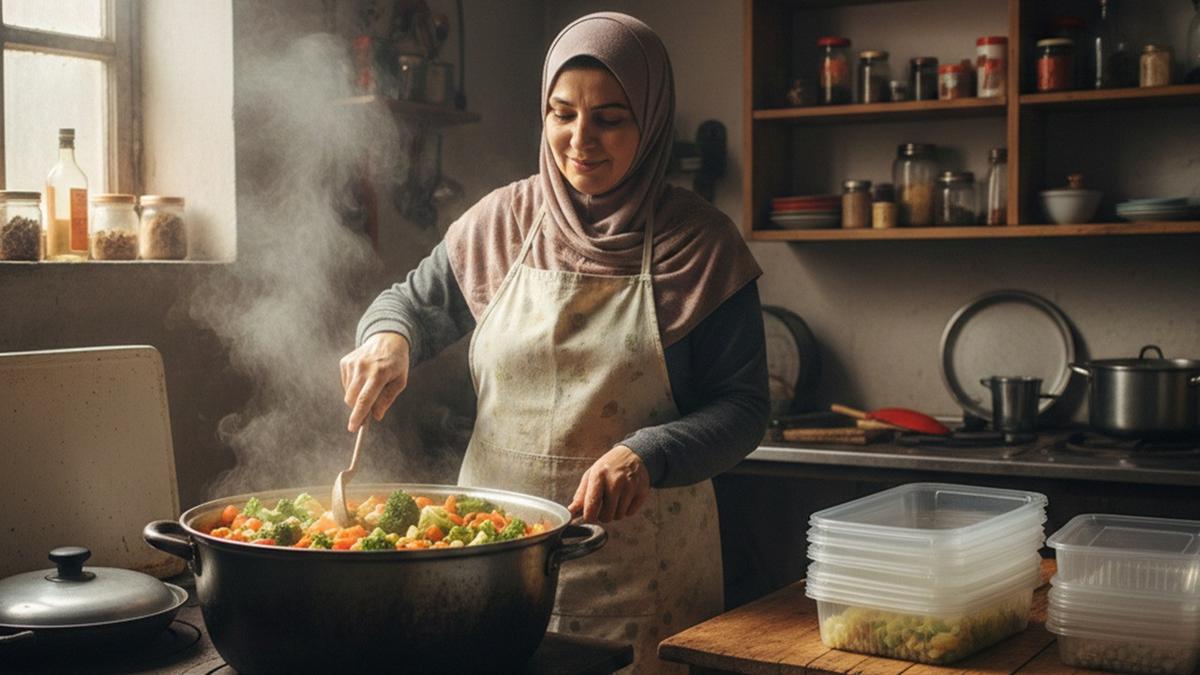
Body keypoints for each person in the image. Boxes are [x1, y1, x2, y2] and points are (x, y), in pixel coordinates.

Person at [340, 12, 768, 673]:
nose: (580, 139)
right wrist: (388, 339)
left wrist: (648, 454)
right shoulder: (500, 223)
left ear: (651, 120)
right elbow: (409, 304)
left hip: (641, 579)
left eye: (610, 118)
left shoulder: (704, 245)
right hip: (489, 561)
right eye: (561, 113)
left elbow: (743, 408)